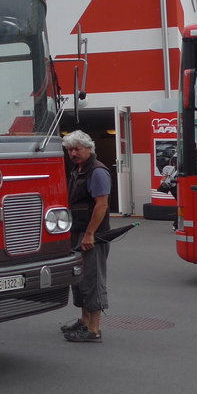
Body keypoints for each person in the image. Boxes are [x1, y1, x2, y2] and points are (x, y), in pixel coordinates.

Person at [61, 130, 112, 344]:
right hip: (77, 231)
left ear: (89, 149)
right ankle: (84, 321)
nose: (73, 153)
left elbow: (102, 205)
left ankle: (94, 329)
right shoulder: (78, 169)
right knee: (79, 279)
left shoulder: (97, 172)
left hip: (92, 234)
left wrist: (90, 234)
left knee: (92, 279)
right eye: (70, 149)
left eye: (77, 149)